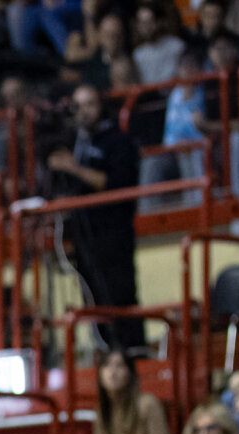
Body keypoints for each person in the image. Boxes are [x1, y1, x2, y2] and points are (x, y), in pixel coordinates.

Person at [50, 85, 143, 351]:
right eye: (78, 106)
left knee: (120, 293)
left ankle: (130, 352)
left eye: (90, 104)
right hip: (84, 233)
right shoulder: (75, 142)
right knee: (91, 295)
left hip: (114, 231)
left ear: (101, 106)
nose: (84, 112)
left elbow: (115, 184)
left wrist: (73, 168)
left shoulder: (118, 141)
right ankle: (104, 352)